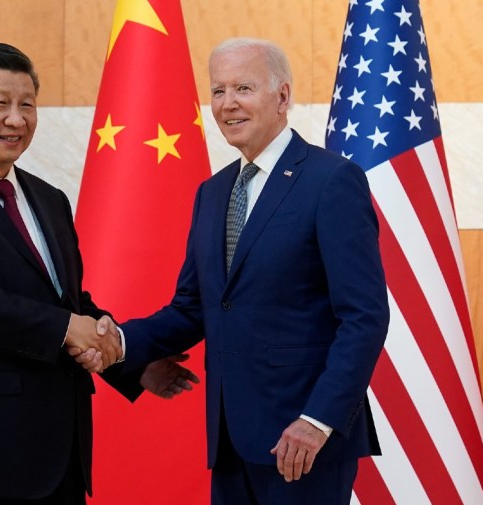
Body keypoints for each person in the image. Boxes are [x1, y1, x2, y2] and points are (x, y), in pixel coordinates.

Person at [77, 38, 390, 504]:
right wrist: (118, 342)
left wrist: (317, 420)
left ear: (282, 97)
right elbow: (192, 308)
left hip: (303, 441)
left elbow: (364, 317)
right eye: (218, 90)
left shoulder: (331, 180)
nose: (227, 104)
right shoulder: (213, 192)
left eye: (243, 88)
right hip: (230, 439)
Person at [0, 42, 195, 505]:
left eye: (27, 105)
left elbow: (66, 302)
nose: (17, 119)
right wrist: (68, 328)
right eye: (0, 104)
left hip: (59, 453)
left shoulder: (48, 199)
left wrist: (127, 360)